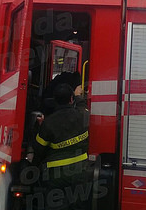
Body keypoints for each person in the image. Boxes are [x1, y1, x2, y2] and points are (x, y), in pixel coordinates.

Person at [32, 80, 90, 210]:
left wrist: (39, 128)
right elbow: (82, 106)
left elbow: (39, 149)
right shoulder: (83, 115)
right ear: (71, 99)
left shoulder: (48, 123)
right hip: (79, 172)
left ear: (55, 101)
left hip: (56, 176)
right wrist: (78, 96)